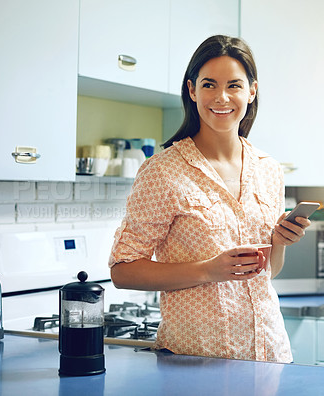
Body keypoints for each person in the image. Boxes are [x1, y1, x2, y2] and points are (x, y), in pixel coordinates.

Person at [108, 35, 310, 363]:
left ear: (252, 91)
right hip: (196, 359)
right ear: (192, 91)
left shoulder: (269, 169)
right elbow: (123, 271)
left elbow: (266, 273)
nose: (222, 97)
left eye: (234, 85)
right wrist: (207, 270)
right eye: (209, 85)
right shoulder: (162, 171)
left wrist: (280, 241)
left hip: (270, 354)